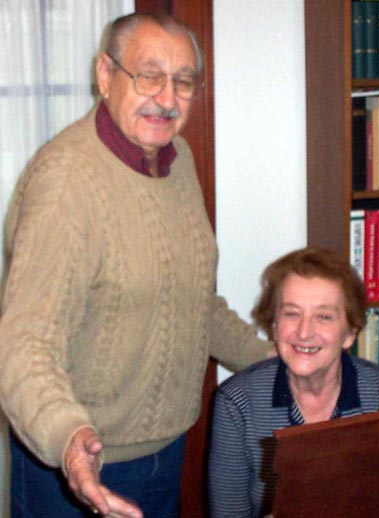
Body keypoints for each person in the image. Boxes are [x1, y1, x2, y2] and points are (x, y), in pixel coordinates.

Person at [0, 13, 272, 518]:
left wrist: (280, 363)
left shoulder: (179, 159)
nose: (167, 99)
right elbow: (23, 341)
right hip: (75, 468)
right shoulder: (64, 183)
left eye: (183, 81)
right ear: (105, 76)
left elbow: (194, 303)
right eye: (148, 75)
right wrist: (68, 438)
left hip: (166, 453)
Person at [208, 247, 379, 517]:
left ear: (350, 334)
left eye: (324, 317)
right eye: (292, 313)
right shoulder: (237, 403)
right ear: (274, 326)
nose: (305, 332)